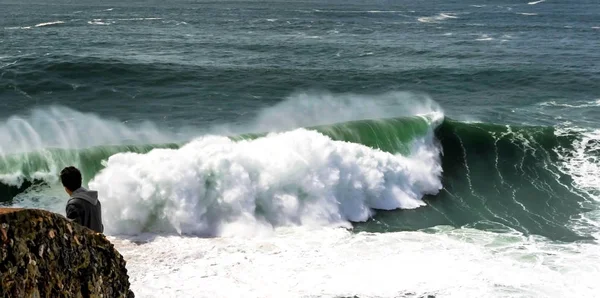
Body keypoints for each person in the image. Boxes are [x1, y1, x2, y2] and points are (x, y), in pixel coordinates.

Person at [60, 166, 104, 233]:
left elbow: (74, 233)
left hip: (86, 243)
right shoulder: (96, 201)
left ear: (65, 187)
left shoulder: (73, 204)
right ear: (80, 180)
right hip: (98, 242)